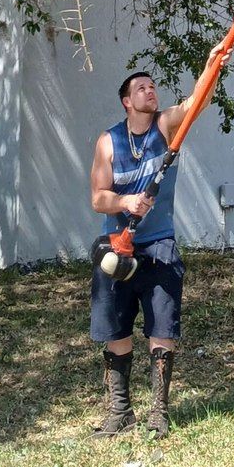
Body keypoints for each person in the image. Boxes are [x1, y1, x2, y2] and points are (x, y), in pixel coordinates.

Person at [89, 70, 187, 437]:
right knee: (114, 325)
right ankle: (120, 410)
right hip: (117, 248)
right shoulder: (109, 142)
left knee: (161, 326)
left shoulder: (166, 125)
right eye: (141, 88)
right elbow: (98, 197)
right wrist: (126, 200)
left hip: (159, 244)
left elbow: (197, 103)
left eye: (153, 86)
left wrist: (214, 63)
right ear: (127, 102)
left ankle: (158, 412)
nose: (150, 91)